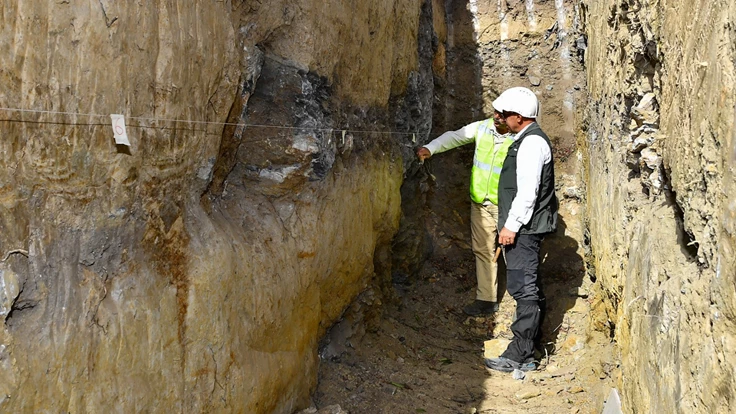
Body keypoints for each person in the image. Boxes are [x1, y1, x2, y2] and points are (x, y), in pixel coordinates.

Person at [483, 87, 559, 373]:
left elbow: (528, 192)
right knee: (524, 285)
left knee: (523, 287)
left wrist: (510, 227)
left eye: (504, 115)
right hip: (523, 227)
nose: (500, 118)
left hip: (524, 230)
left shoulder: (531, 144)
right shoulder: (525, 139)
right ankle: (526, 349)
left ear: (519, 116)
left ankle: (520, 355)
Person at [416, 103, 514, 316]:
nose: (496, 117)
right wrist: (430, 148)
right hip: (480, 202)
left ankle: (522, 303)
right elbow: (454, 136)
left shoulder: (521, 137)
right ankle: (486, 300)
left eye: (502, 114)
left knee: (515, 253)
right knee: (483, 251)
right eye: (496, 112)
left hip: (507, 206)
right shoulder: (482, 128)